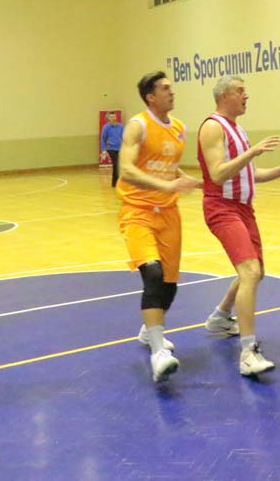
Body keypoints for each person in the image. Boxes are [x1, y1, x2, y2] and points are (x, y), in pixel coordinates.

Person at [197, 76, 280, 377]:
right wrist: (252, 151)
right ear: (224, 96)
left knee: (257, 272)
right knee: (250, 272)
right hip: (222, 207)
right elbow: (217, 174)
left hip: (244, 209)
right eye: (240, 91)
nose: (247, 96)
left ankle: (220, 317)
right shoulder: (212, 127)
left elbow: (250, 173)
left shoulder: (238, 129)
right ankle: (248, 353)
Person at [117, 72, 199, 383]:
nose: (171, 92)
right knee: (152, 274)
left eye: (171, 87)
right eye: (165, 89)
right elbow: (126, 170)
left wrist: (188, 180)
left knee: (169, 284)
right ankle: (158, 353)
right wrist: (165, 186)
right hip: (137, 212)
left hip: (169, 216)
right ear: (150, 97)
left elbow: (167, 167)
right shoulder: (137, 125)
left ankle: (148, 330)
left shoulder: (179, 128)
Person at [100, 111, 124, 187]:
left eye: (114, 116)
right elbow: (103, 139)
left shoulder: (121, 127)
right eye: (111, 117)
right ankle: (115, 184)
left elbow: (124, 137)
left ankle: (119, 183)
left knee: (120, 165)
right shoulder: (106, 127)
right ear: (108, 118)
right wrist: (103, 150)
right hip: (111, 149)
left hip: (120, 148)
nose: (113, 118)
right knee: (116, 165)